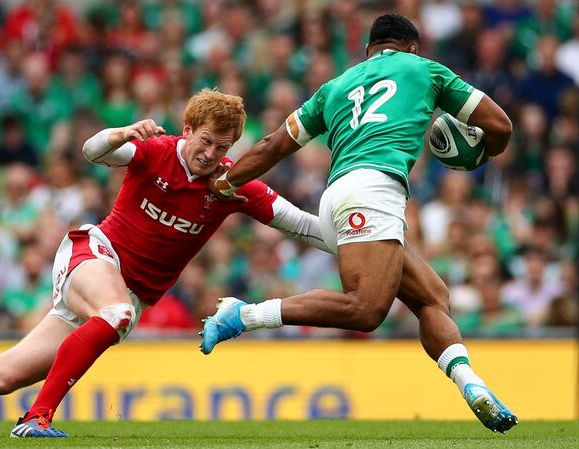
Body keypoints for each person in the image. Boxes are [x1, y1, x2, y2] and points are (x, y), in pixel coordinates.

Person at [0, 89, 332, 437]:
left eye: (222, 147)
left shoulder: (230, 185)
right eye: (205, 141)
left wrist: (362, 243)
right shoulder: (153, 151)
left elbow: (301, 225)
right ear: (188, 128)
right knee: (116, 314)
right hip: (93, 256)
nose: (210, 153)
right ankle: (38, 418)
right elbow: (92, 152)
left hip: (120, 295)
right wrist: (120, 132)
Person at [202, 13, 517, 434]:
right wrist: (482, 153)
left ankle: (472, 385)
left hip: (336, 196)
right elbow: (500, 126)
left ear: (369, 49)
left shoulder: (334, 87)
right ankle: (245, 315)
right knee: (366, 309)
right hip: (375, 191)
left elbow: (271, 145)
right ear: (411, 47)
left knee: (431, 296)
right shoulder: (425, 70)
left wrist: (225, 180)